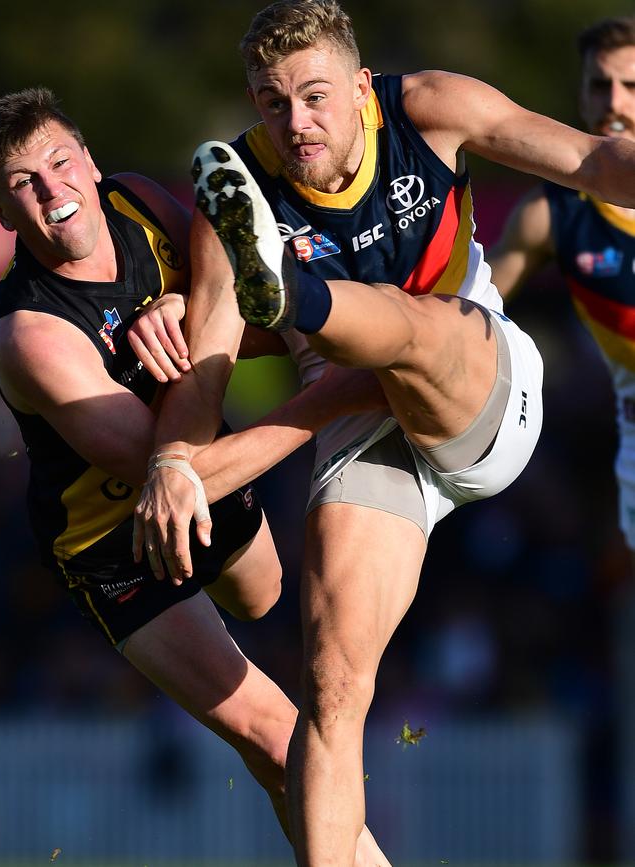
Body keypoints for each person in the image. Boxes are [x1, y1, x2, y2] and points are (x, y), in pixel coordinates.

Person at [132, 2, 635, 865]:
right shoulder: (235, 192)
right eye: (272, 102)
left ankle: (295, 297)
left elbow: (592, 158)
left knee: (412, 326)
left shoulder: (430, 107)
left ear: (363, 87)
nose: (296, 124)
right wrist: (174, 457)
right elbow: (205, 374)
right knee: (331, 685)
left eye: (316, 97)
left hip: (477, 382)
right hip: (364, 426)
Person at [0, 86, 393, 866]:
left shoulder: (136, 198)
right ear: (3, 214)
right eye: (22, 185)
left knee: (264, 597)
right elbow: (169, 469)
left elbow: (229, 304)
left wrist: (176, 304)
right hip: (113, 537)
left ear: (90, 161)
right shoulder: (31, 333)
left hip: (207, 456)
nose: (52, 191)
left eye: (59, 163)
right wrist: (330, 397)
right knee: (279, 740)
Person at [487, 14, 635, 571]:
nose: (614, 102)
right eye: (600, 85)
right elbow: (471, 306)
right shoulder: (551, 214)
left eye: (630, 86)